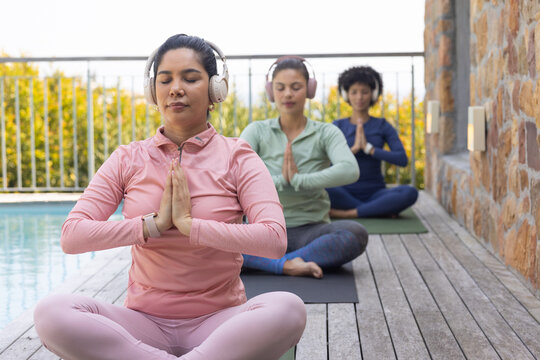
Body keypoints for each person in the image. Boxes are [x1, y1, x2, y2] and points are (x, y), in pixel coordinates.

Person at [33, 34, 306, 360]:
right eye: (165, 80)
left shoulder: (238, 156)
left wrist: (192, 227)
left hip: (220, 325)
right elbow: (72, 236)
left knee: (289, 308)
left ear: (215, 89)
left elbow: (274, 240)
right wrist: (153, 225)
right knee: (52, 312)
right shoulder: (127, 158)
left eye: (190, 78)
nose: (176, 88)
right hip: (142, 322)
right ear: (154, 91)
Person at [239, 56, 368, 279]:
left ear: (309, 90)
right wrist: (281, 180)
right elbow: (236, 174)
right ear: (271, 92)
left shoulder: (325, 132)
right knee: (211, 240)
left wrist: (299, 180)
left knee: (355, 234)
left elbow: (350, 169)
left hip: (310, 230)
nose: (287, 94)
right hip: (263, 229)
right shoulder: (256, 131)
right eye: (280, 88)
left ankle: (267, 264)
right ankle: (290, 264)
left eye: (296, 87)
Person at [327, 66, 418, 219]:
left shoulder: (382, 125)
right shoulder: (338, 126)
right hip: (343, 191)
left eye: (365, 92)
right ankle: (378, 210)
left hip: (376, 192)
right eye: (354, 92)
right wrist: (355, 149)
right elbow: (327, 162)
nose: (359, 97)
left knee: (410, 192)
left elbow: (402, 159)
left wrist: (369, 149)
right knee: (318, 188)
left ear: (373, 94)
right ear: (346, 95)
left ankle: (351, 213)